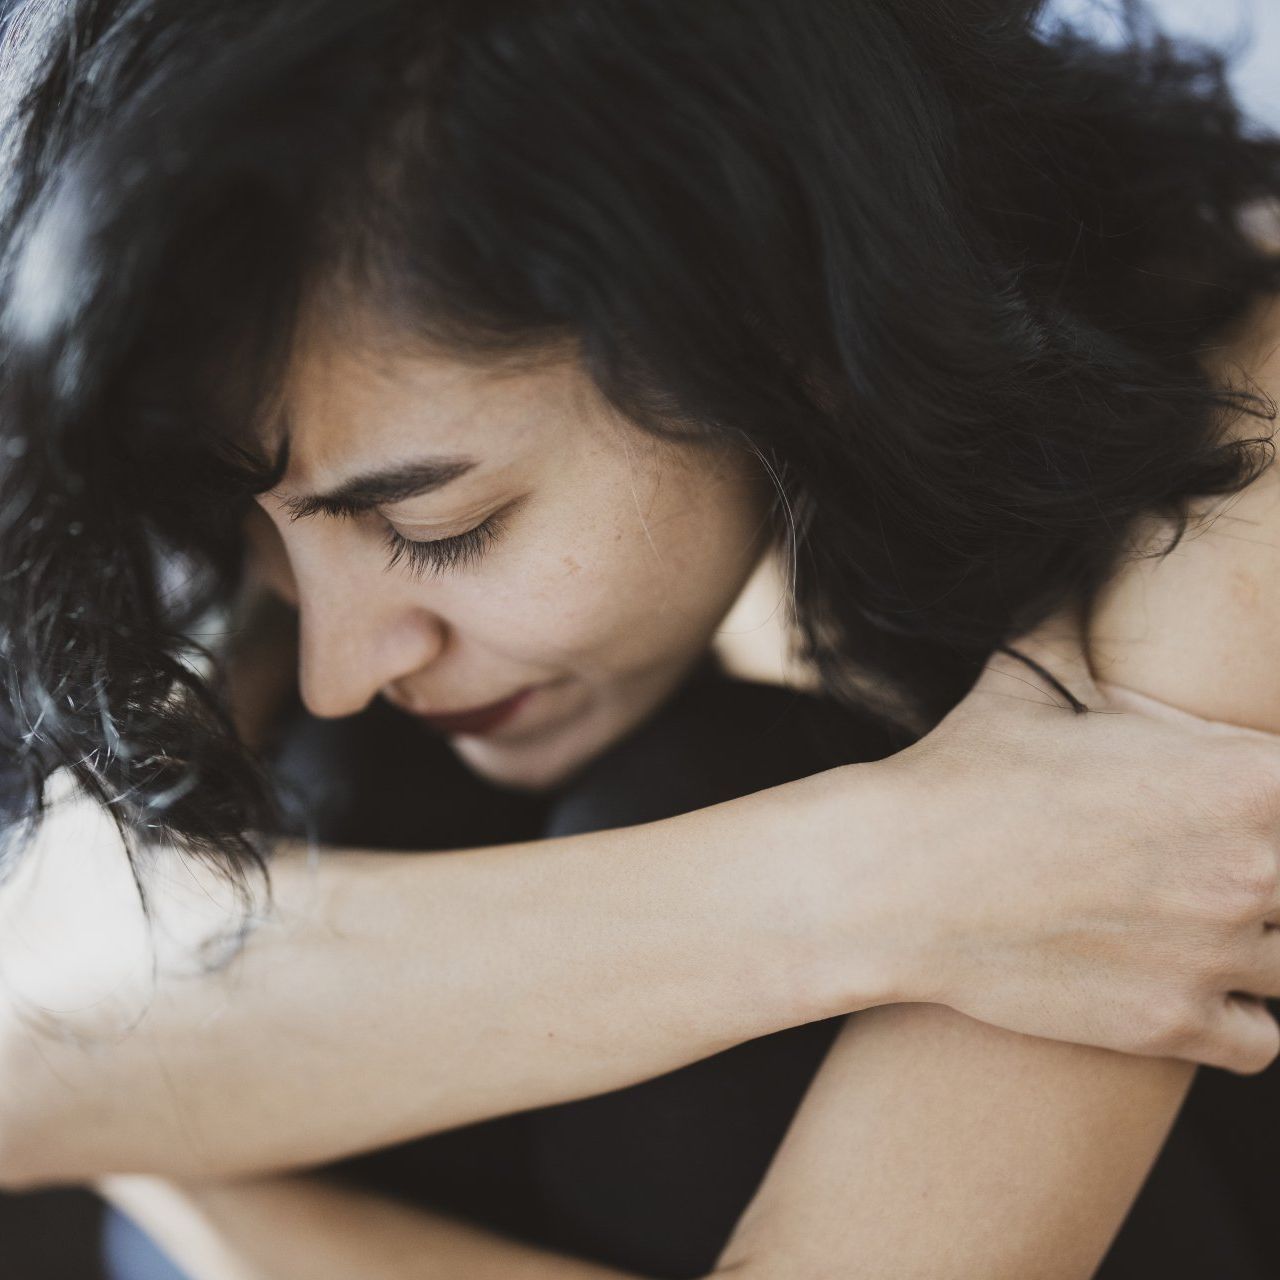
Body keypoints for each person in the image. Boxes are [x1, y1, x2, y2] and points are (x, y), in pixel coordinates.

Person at [2, 0, 1280, 1276]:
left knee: (660, 796)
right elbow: (34, 1016)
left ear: (763, 309)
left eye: (440, 527)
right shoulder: (282, 395)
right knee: (332, 795)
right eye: (248, 530)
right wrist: (891, 878)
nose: (339, 665)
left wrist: (188, 1156)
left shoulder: (1245, 439)